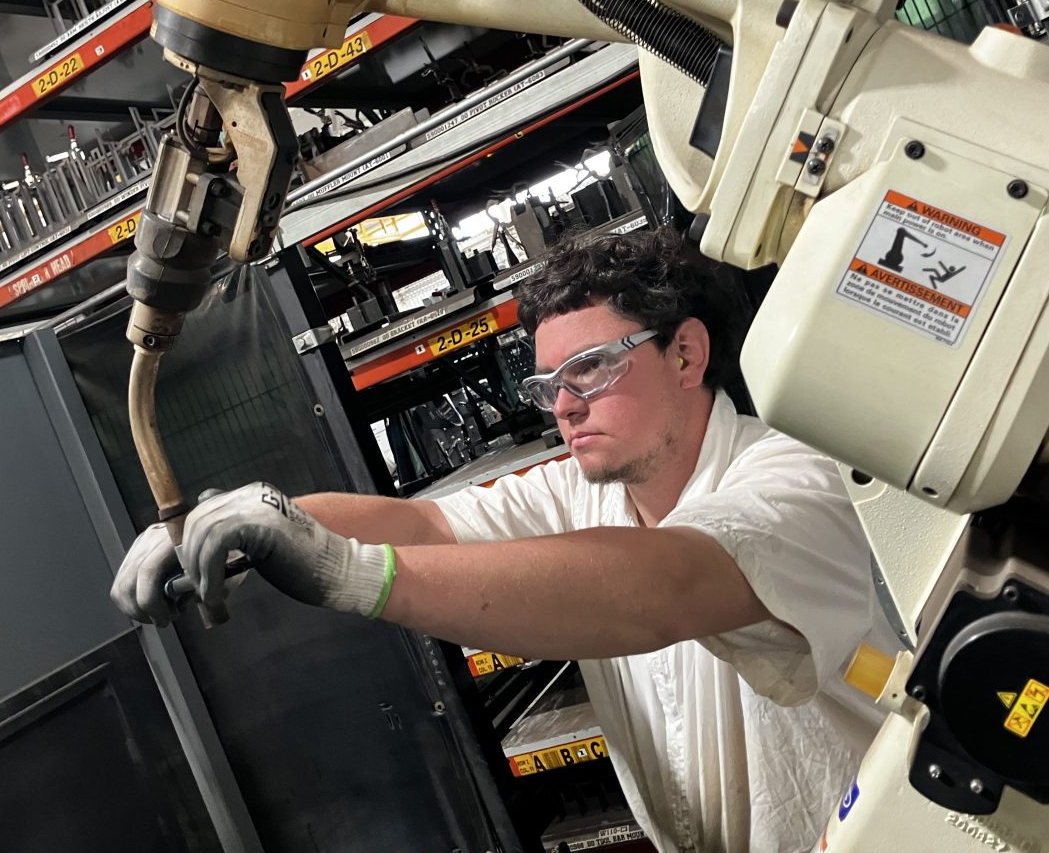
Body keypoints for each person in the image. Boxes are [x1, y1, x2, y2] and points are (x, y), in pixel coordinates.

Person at [112, 226, 895, 853]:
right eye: (548, 384)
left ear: (686, 353)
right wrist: (254, 519)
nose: (564, 406)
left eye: (589, 368)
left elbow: (665, 588)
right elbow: (425, 525)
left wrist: (350, 574)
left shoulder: (794, 477)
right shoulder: (580, 491)